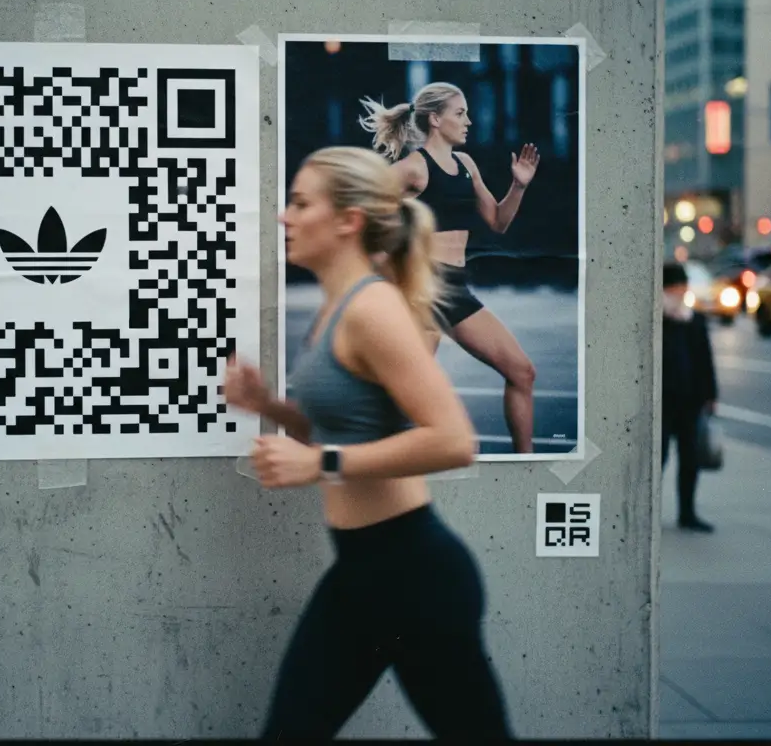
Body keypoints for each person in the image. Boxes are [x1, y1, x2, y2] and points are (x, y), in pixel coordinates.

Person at [223, 146, 512, 740]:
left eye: (301, 204)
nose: (285, 217)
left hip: (415, 576)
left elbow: (454, 441)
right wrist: (269, 407)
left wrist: (320, 463)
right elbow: (339, 427)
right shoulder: (336, 308)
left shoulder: (374, 308)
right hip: (362, 574)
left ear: (347, 221)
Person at [359, 83, 539, 454]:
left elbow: (498, 222)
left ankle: (527, 466)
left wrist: (518, 187)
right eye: (461, 114)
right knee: (409, 389)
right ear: (435, 119)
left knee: (522, 372)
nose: (469, 121)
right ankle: (367, 463)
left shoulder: (466, 165)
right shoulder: (412, 168)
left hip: (456, 288)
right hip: (423, 289)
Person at [661, 261, 718, 533]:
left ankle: (687, 512)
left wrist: (710, 395)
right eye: (675, 287)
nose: (680, 292)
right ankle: (647, 512)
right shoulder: (656, 319)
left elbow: (705, 359)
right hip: (661, 402)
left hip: (690, 400)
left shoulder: (694, 319)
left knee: (690, 458)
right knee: (656, 459)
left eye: (683, 287)